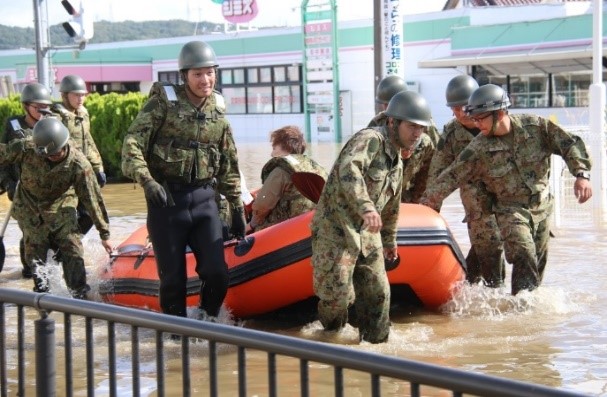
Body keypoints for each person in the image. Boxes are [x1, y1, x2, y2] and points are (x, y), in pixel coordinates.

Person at [421, 84, 592, 295]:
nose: (476, 124)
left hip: (542, 205)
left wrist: (581, 175)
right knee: (523, 252)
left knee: (537, 264)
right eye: (474, 118)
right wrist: (424, 209)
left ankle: (527, 314)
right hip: (509, 209)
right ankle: (521, 309)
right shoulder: (478, 148)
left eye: (481, 118)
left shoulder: (536, 128)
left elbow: (569, 144)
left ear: (500, 113)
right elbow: (449, 177)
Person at [121, 40, 245, 321]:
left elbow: (228, 162)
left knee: (217, 272)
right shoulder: (163, 105)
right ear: (184, 76)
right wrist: (147, 181)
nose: (206, 80)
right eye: (197, 74)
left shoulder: (218, 113)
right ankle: (176, 341)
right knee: (173, 280)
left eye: (210, 73)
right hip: (167, 202)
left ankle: (208, 319)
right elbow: (132, 144)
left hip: (204, 201)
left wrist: (236, 207)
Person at [311, 90, 433, 343]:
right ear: (393, 122)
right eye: (412, 127)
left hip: (368, 236)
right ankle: (328, 337)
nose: (417, 134)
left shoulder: (396, 162)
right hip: (338, 231)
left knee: (379, 293)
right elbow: (349, 169)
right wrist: (366, 207)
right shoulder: (370, 140)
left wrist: (390, 242)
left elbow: (391, 208)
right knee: (338, 298)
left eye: (421, 129)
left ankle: (376, 348)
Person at [0, 117, 112, 298]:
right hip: (29, 206)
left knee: (72, 245)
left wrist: (104, 234)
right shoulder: (26, 147)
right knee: (35, 253)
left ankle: (79, 293)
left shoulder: (78, 164)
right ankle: (42, 295)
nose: (50, 157)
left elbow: (93, 199)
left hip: (61, 203)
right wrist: (6, 182)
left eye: (54, 154)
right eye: (46, 155)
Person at [426, 75, 505, 286]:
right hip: (476, 205)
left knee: (498, 249)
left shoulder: (499, 122)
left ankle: (481, 294)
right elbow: (438, 172)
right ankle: (487, 297)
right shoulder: (451, 133)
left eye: (464, 106)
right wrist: (430, 209)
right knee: (487, 247)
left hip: (506, 199)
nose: (460, 113)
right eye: (455, 108)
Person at [0, 82, 53, 277]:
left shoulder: (51, 125)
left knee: (45, 231)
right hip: (20, 188)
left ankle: (44, 265)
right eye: (37, 107)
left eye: (45, 107)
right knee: (29, 230)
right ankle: (30, 270)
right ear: (26, 106)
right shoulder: (13, 125)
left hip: (45, 188)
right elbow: (3, 158)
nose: (42, 111)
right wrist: (8, 183)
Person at [367, 75, 437, 202]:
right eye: (385, 104)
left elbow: (435, 156)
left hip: (412, 175)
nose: (388, 108)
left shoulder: (423, 119)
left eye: (392, 103)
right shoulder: (378, 122)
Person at [52, 74, 106, 235]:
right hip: (62, 176)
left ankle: (69, 247)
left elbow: (88, 141)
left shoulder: (83, 113)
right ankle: (58, 248)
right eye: (76, 94)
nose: (80, 98)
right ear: (64, 96)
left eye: (83, 94)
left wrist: (98, 167)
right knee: (64, 217)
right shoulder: (56, 117)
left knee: (90, 214)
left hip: (81, 174)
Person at [247, 125, 327, 232]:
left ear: (287, 148)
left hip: (286, 227)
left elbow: (262, 205)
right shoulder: (315, 167)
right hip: (314, 223)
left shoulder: (280, 172)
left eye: (274, 148)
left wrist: (251, 225)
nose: (272, 154)